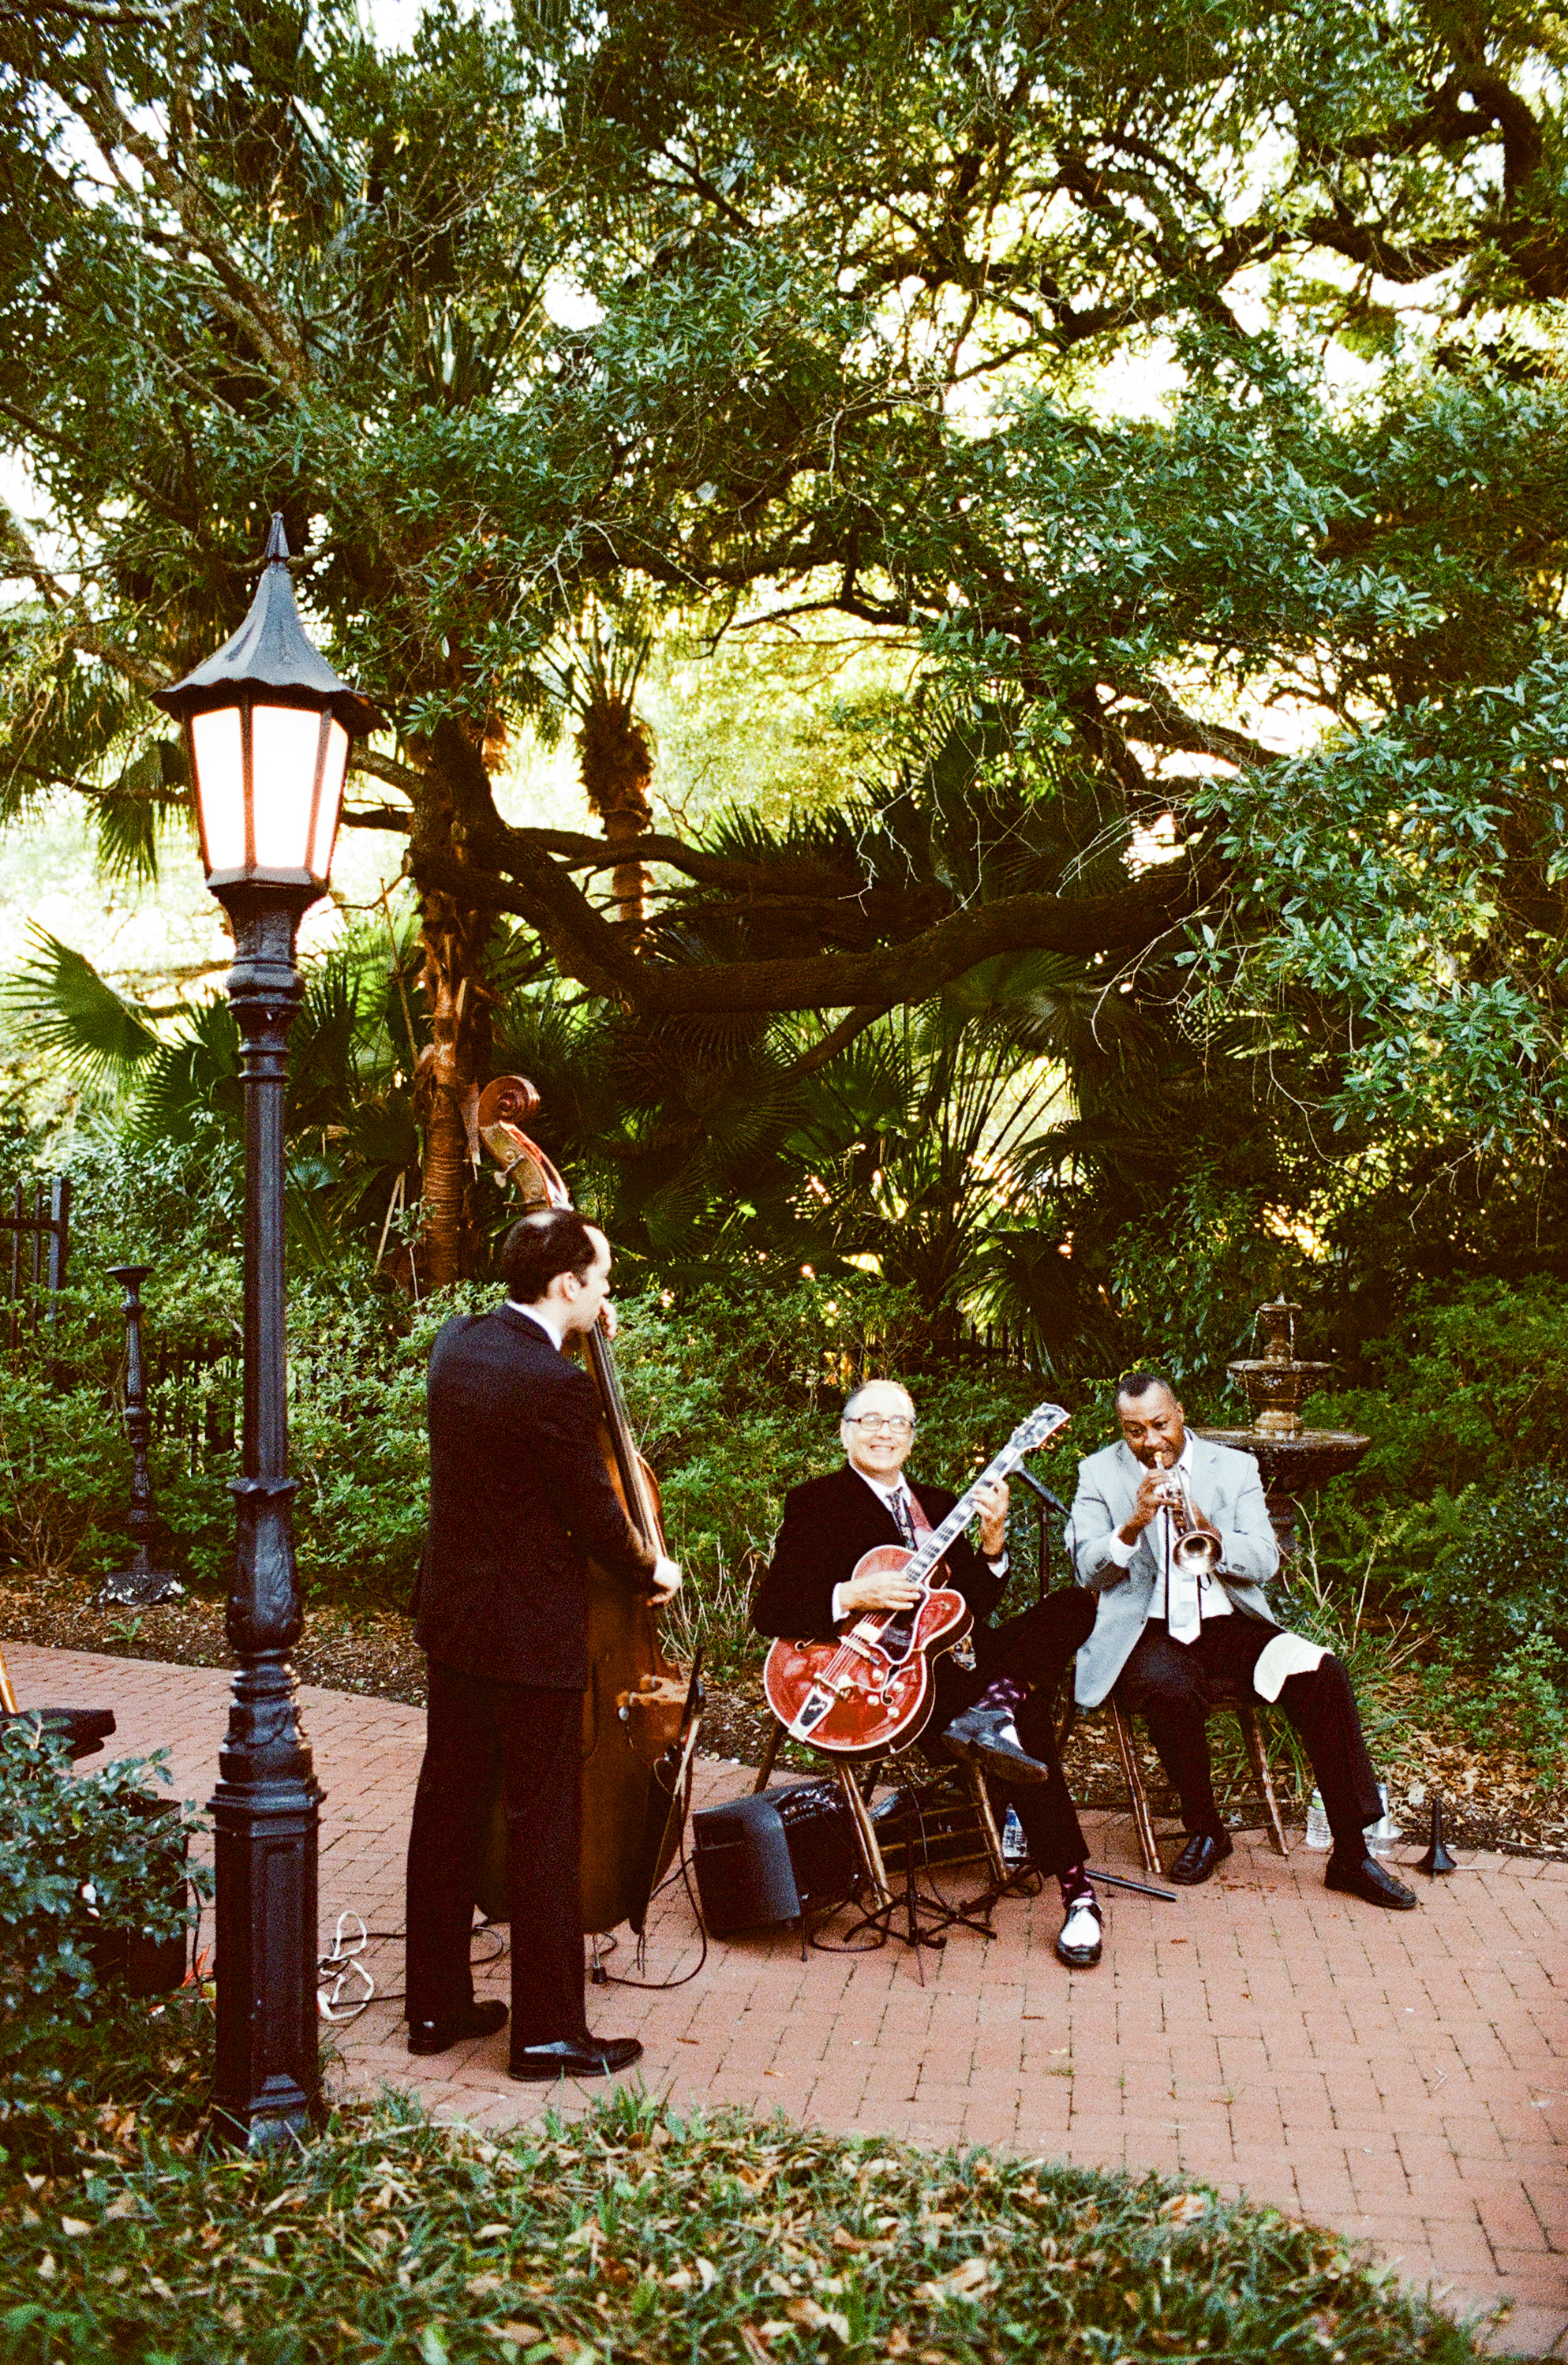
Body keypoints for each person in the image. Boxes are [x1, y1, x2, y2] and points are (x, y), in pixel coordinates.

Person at [405, 1207, 683, 2078]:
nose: (607, 1297)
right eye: (600, 1281)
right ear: (566, 1284)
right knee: (542, 1827)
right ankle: (546, 2035)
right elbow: (594, 1517)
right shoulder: (555, 1386)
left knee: (446, 1811)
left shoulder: (458, 1343)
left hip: (455, 1622)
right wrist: (652, 1570)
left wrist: (574, 1332)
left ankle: (435, 2008)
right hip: (529, 1638)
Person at [752, 1379, 1103, 1969]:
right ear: (845, 1431)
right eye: (871, 1420)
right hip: (888, 1683)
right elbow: (770, 1610)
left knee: (1077, 1603)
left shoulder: (940, 1504)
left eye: (899, 1422)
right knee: (1029, 1711)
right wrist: (851, 1591)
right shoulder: (815, 1501)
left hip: (960, 1665)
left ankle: (992, 1707)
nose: (885, 1431)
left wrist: (993, 1545)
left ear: (913, 1438)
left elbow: (969, 1605)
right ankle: (1078, 1893)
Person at [1066, 1369, 1416, 1908]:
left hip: (1227, 1625)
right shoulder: (1096, 1472)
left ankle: (1349, 1852)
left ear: (1179, 1412)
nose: (1150, 1441)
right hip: (1147, 1631)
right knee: (1170, 1690)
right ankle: (1206, 1828)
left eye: (1159, 1424)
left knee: (1322, 1672)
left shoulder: (1233, 1466)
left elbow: (1265, 1560)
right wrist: (1132, 1524)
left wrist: (1210, 1530)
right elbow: (1085, 1569)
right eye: (1134, 1431)